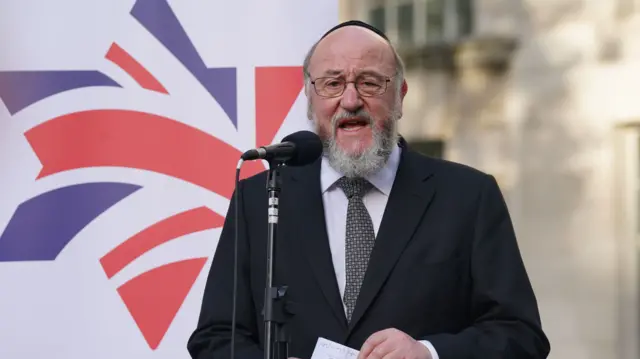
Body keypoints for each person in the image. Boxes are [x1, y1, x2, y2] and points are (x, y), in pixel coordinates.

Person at [187, 20, 550, 359]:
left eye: (370, 83)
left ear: (401, 95)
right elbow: (217, 337)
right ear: (310, 99)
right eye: (332, 83)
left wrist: (428, 352)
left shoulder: (469, 195)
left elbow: (521, 336)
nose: (350, 101)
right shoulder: (262, 197)